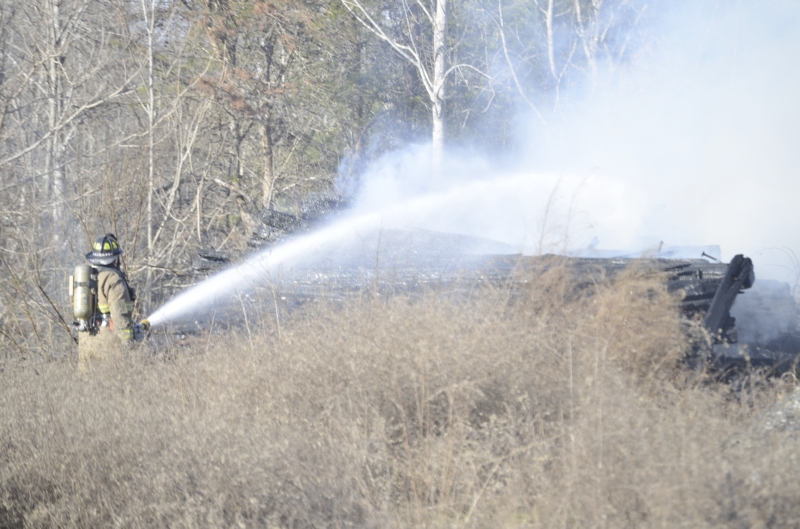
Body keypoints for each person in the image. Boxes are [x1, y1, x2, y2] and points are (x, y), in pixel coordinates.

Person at [78, 233, 137, 368]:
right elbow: (119, 315)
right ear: (115, 257)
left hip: (86, 342)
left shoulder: (86, 277)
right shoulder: (113, 279)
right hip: (107, 346)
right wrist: (129, 345)